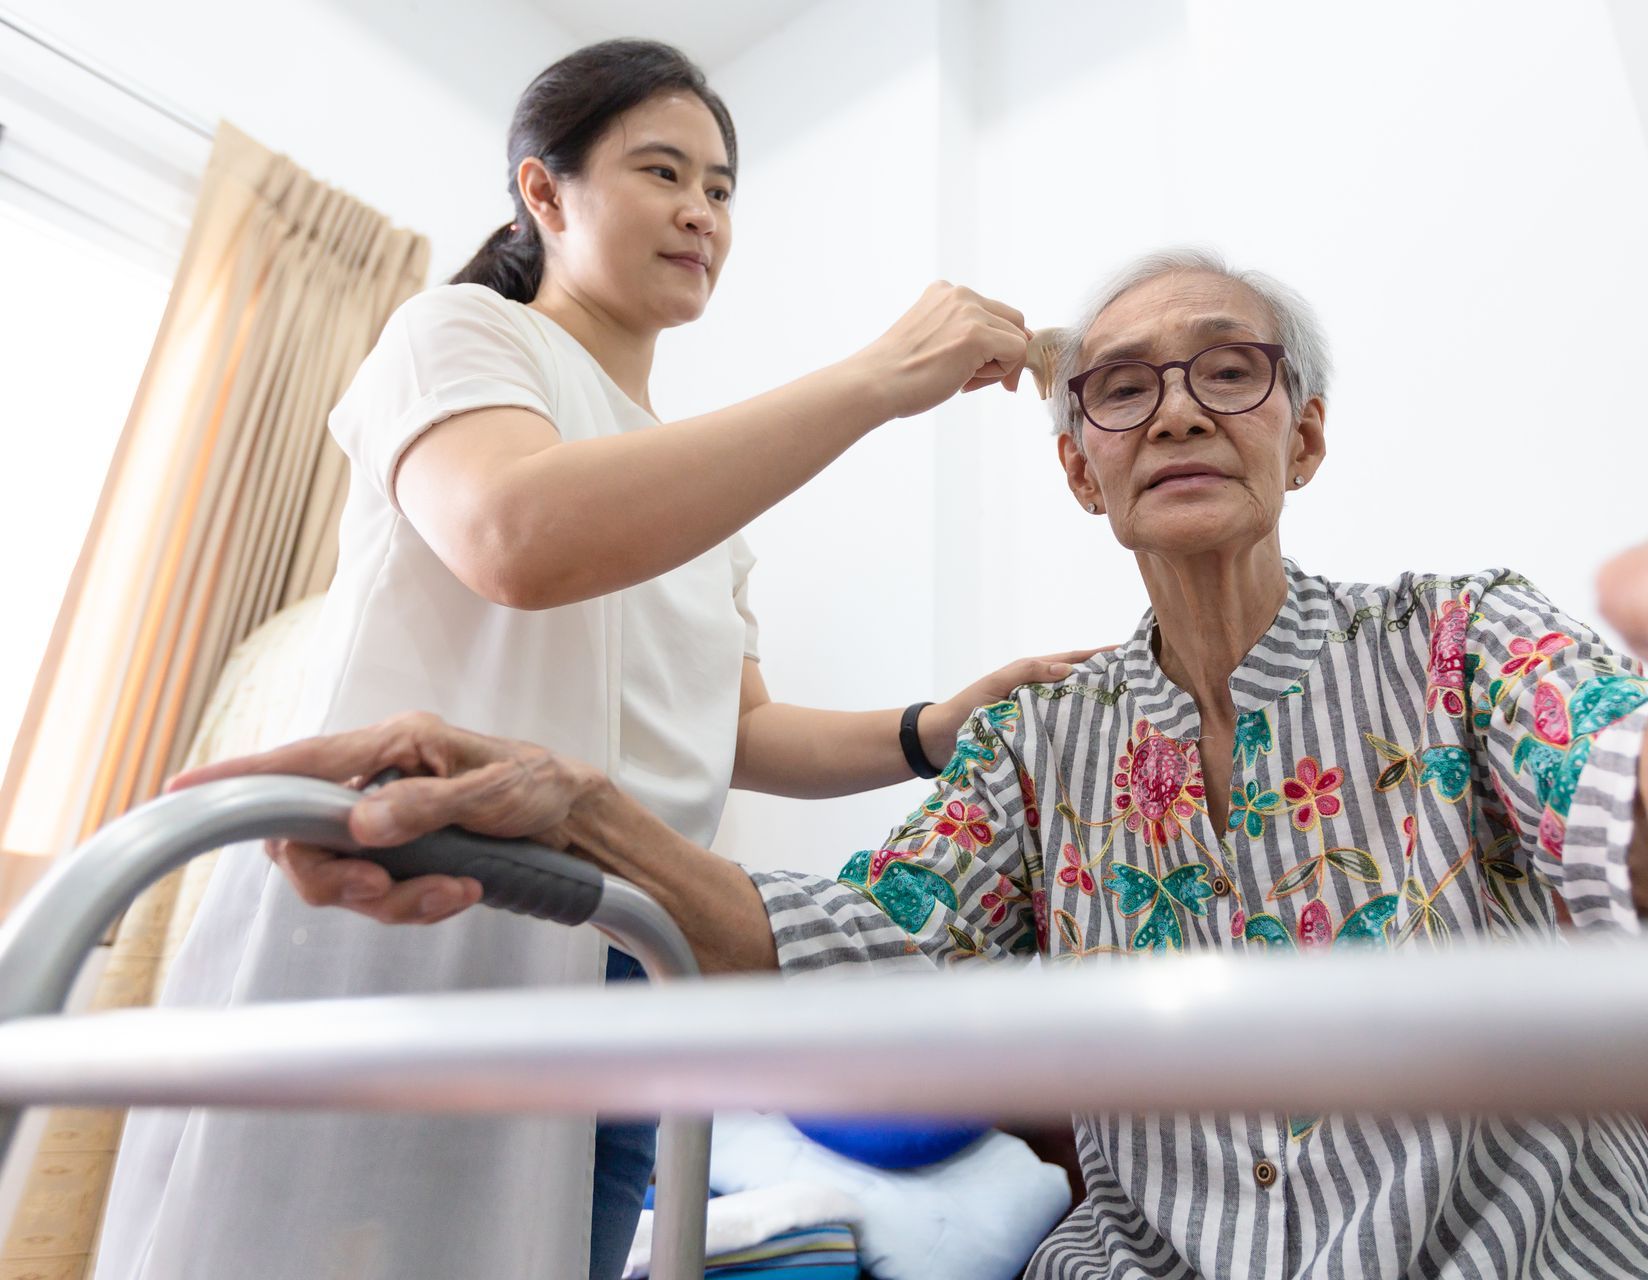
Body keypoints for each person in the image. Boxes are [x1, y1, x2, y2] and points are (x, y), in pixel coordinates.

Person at [174, 248, 1648, 1278]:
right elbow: (855, 955)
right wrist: (584, 805)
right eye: (1122, 390)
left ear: (1303, 433)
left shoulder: (1460, 637)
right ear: (1078, 469)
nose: (1173, 410)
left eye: (1226, 373)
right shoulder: (1037, 741)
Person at [97, 38, 1097, 1280]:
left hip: (630, 951)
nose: (701, 211)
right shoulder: (462, 336)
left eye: (723, 188)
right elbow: (515, 535)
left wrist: (930, 727)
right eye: (664, 171)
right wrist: (875, 382)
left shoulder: (698, 491)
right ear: (544, 192)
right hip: (425, 909)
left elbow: (733, 734)